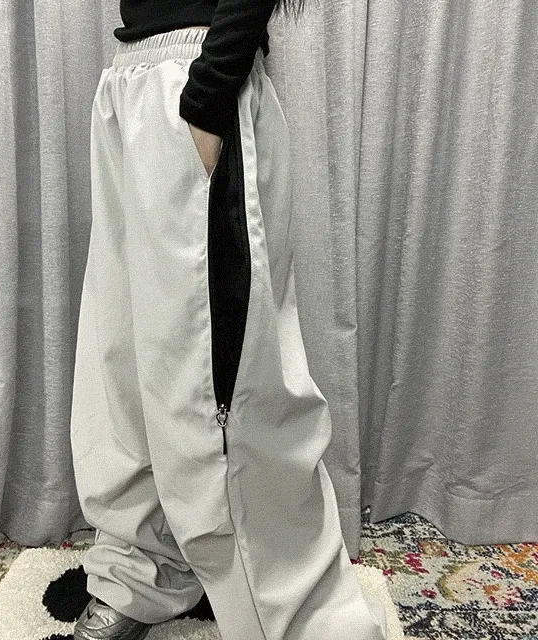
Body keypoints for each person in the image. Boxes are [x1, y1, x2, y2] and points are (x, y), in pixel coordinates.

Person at [69, 1, 389, 639]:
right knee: (127, 362)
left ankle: (303, 618)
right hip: (132, 77)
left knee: (221, 390)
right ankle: (147, 569)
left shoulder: (203, 90)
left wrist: (209, 93)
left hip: (197, 75)